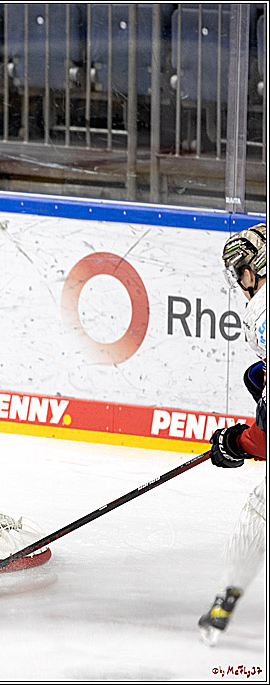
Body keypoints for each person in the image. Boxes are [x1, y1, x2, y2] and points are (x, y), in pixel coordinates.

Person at [198, 223, 267, 646]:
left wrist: (237, 442)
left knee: (260, 512)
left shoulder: (262, 312)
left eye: (240, 271)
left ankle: (224, 603)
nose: (240, 283)